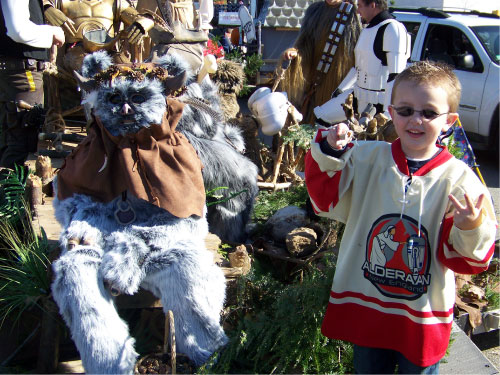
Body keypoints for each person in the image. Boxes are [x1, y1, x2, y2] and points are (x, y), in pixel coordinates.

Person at [305, 61, 496, 374]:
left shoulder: (460, 180)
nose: (416, 120)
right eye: (406, 110)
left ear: (449, 120)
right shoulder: (366, 158)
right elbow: (325, 198)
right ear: (391, 112)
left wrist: (470, 226)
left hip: (420, 314)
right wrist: (329, 149)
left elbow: (472, 259)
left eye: (429, 112)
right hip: (367, 303)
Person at [314, 0, 410, 123]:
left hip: (379, 103)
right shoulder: (368, 28)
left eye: (359, 6)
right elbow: (358, 67)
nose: (357, 11)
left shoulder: (392, 28)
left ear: (373, 5)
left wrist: (389, 111)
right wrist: (341, 89)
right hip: (358, 94)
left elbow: (396, 76)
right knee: (321, 117)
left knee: (367, 138)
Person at [0, 0, 65, 168]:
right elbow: (18, 30)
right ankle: (11, 193)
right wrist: (52, 32)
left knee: (9, 142)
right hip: (21, 74)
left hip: (13, 72)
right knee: (20, 144)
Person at [278, 0, 361, 124]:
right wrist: (296, 52)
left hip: (341, 86)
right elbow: (304, 42)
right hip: (316, 83)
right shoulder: (314, 11)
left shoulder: (354, 13)